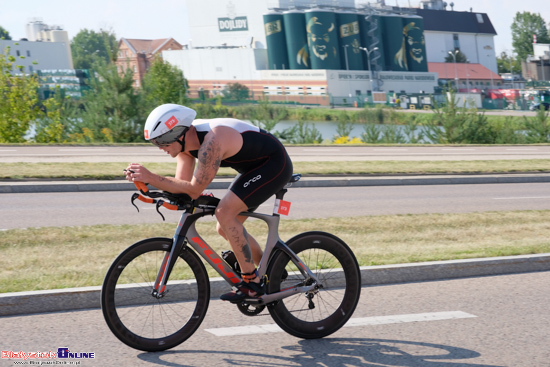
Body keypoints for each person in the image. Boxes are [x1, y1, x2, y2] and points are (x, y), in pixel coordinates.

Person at [125, 103, 293, 302]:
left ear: (179, 133)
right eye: (155, 142)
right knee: (224, 228)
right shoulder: (186, 147)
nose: (160, 147)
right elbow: (184, 188)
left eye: (162, 141)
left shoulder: (212, 141)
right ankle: (273, 272)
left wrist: (152, 177)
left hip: (274, 164)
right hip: (253, 169)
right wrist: (148, 185)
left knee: (225, 213)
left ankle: (252, 283)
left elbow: (194, 188)